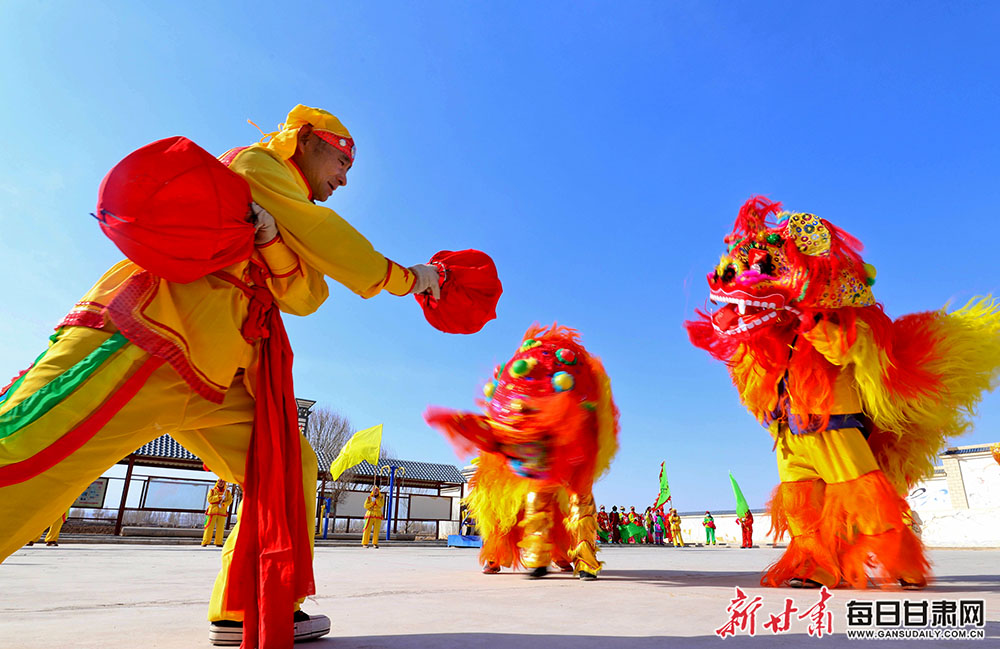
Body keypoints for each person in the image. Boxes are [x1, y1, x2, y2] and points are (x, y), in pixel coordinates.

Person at [0, 104, 443, 646]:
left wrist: (273, 242)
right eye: (343, 156)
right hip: (145, 338)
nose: (346, 176)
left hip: (211, 372)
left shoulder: (280, 210)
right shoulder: (260, 166)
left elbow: (306, 296)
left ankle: (248, 604)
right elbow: (332, 243)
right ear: (303, 139)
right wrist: (408, 279)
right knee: (29, 452)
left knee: (287, 468)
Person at [426, 324, 621, 581]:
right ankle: (534, 558)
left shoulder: (576, 433)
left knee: (578, 499)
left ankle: (582, 560)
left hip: (571, 444)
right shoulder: (510, 420)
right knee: (528, 498)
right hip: (541, 445)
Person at [202, 480, 233, 547]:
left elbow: (230, 500)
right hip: (211, 512)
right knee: (208, 527)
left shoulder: (227, 492)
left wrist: (224, 504)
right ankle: (205, 541)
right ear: (217, 482)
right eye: (220, 482)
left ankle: (218, 542)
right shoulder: (212, 491)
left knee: (220, 528)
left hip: (222, 512)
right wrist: (218, 497)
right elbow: (209, 499)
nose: (221, 483)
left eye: (222, 482)